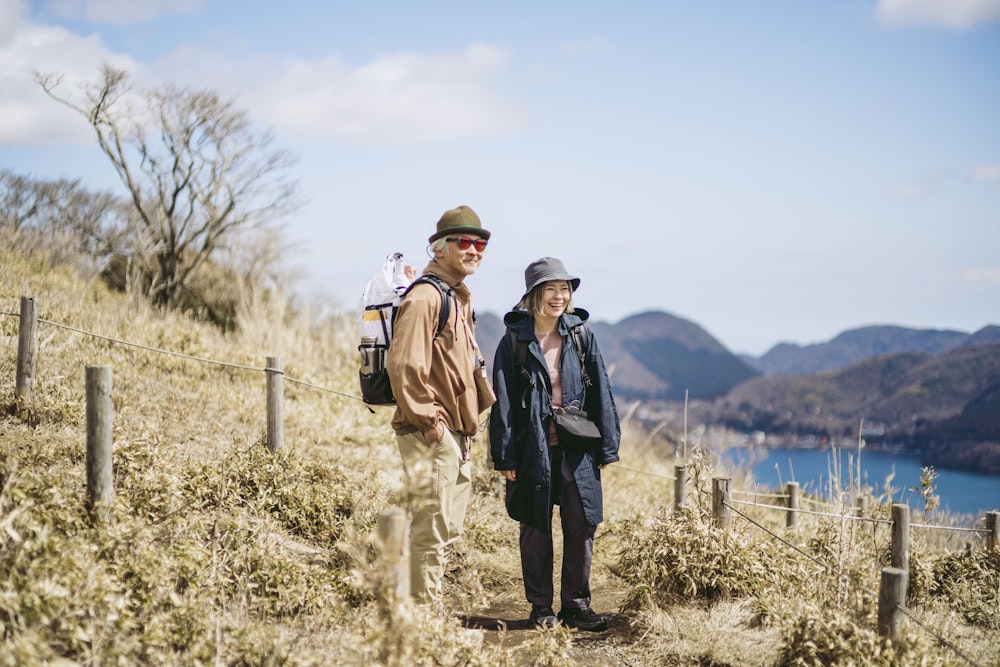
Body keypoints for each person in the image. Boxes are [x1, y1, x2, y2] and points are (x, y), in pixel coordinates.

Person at [489, 257, 621, 631]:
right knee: (535, 528)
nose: (560, 296)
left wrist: (607, 447)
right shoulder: (514, 341)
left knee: (582, 526)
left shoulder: (581, 335)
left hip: (578, 447)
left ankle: (577, 606)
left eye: (565, 289)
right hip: (533, 449)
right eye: (551, 289)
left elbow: (602, 392)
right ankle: (541, 608)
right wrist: (504, 455)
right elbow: (503, 401)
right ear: (534, 295)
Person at [386, 204, 495, 603]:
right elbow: (403, 364)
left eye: (479, 242)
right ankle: (422, 620)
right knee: (431, 529)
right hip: (432, 431)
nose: (474, 249)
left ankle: (408, 599)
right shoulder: (427, 298)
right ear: (439, 249)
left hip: (456, 434)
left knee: (446, 529)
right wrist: (431, 423)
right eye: (463, 241)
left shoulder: (457, 297)